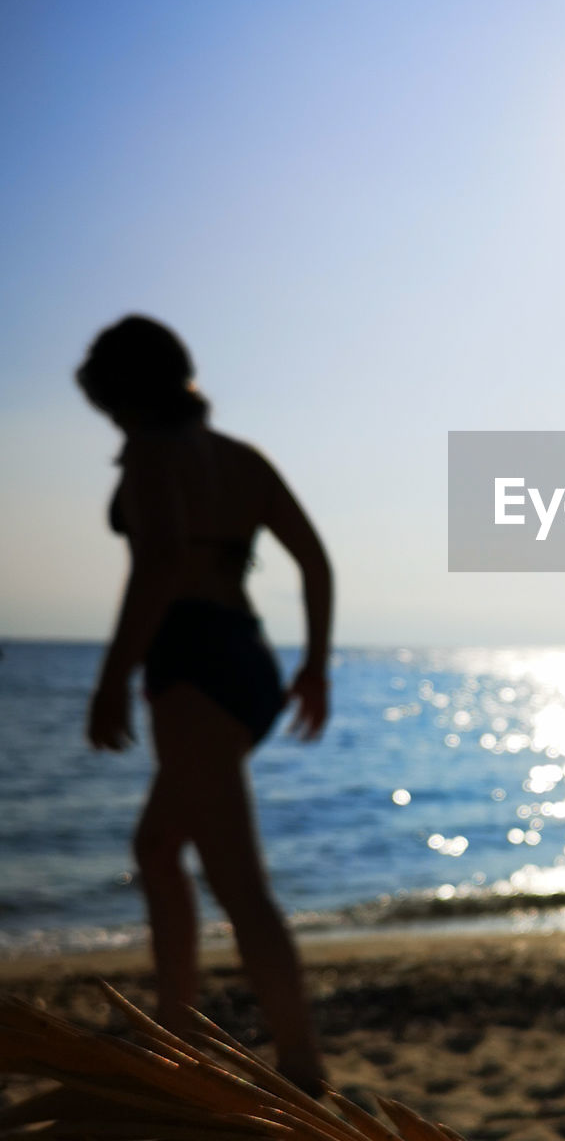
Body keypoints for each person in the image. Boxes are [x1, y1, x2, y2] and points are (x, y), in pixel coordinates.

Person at [77, 315, 332, 1092]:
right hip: (244, 660)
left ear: (127, 391)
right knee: (158, 849)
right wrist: (313, 665)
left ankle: (300, 1067)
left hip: (190, 665)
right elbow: (314, 561)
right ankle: (175, 1034)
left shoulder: (157, 454)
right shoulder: (239, 459)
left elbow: (158, 564)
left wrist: (112, 677)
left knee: (236, 881)